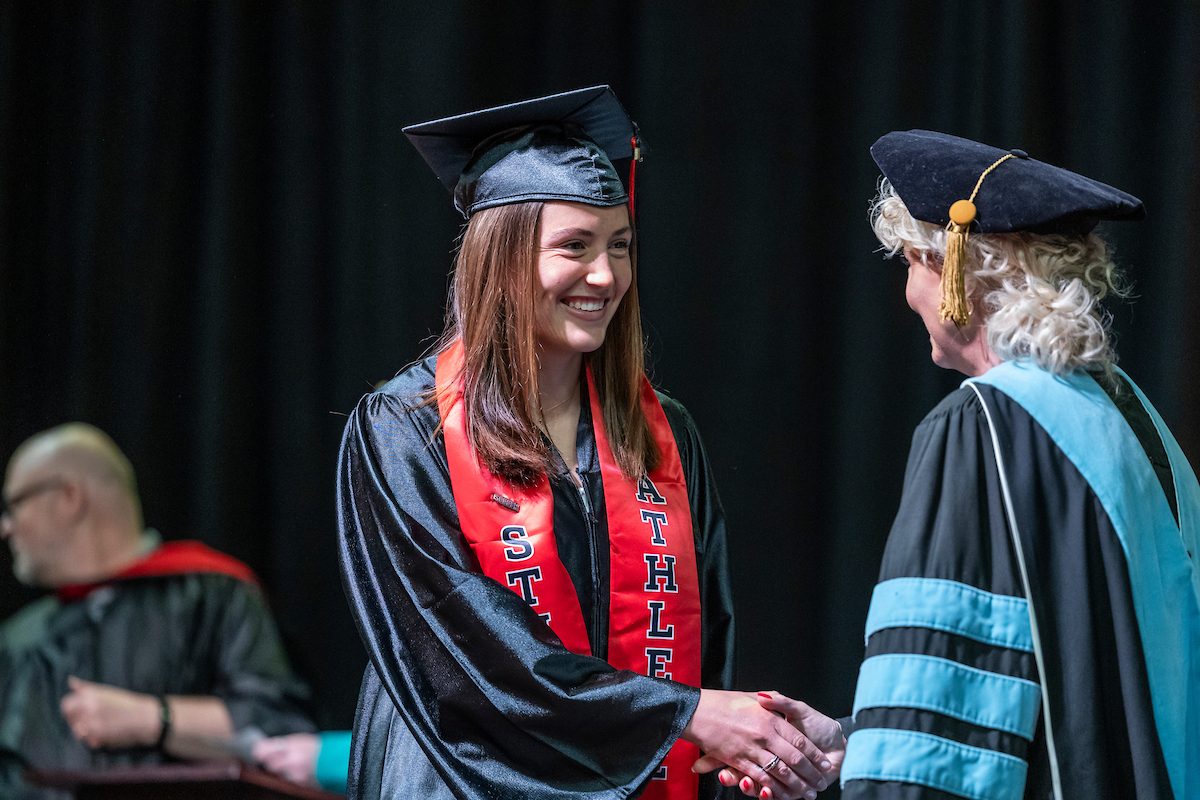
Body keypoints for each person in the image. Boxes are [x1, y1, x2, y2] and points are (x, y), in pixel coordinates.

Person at [336, 86, 839, 800]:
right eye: (575, 246)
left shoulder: (663, 432)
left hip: (636, 778)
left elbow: (705, 643)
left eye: (621, 247)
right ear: (503, 259)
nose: (606, 277)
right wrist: (687, 714)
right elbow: (464, 653)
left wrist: (735, 741)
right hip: (455, 780)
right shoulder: (403, 429)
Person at [832, 130, 1199, 799]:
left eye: (912, 264)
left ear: (955, 271)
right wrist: (860, 733)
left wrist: (890, 757)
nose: (910, 293)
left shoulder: (982, 427)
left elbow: (943, 727)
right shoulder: (1132, 417)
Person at [0, 423, 317, 799]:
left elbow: (281, 733)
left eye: (14, 506)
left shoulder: (211, 593)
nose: (6, 528)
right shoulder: (17, 641)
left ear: (70, 497)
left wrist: (154, 718)